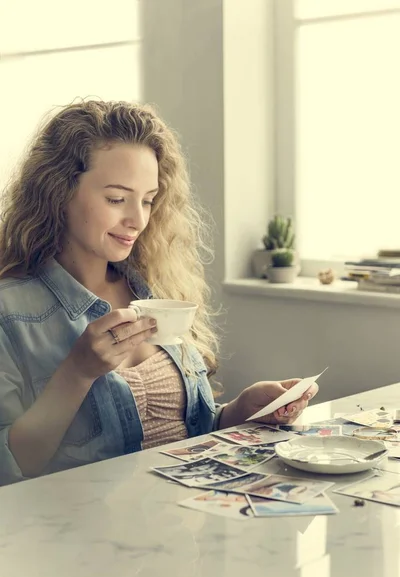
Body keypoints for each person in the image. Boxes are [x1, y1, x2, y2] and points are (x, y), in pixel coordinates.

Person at [0, 99, 318, 486]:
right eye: (116, 199)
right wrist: (77, 374)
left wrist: (237, 412)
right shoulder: (10, 310)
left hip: (186, 524)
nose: (137, 219)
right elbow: (12, 469)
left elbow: (179, 432)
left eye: (148, 200)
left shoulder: (151, 288)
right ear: (59, 191)